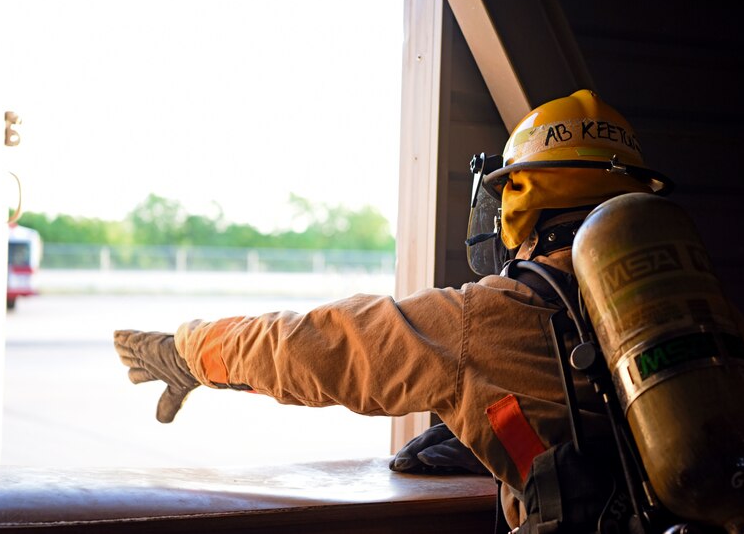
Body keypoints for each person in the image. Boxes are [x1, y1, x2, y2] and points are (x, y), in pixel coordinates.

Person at [113, 90, 684, 529]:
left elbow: (313, 347)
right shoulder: (699, 309)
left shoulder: (490, 318)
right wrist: (504, 436)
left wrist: (185, 349)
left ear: (520, 202)